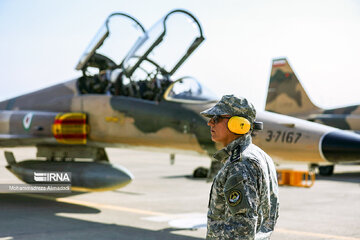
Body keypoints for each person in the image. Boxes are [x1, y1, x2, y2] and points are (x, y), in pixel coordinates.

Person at [200, 95, 279, 240]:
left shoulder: (241, 163)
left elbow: (242, 227)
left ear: (238, 124)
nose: (210, 123)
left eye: (216, 118)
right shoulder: (260, 156)